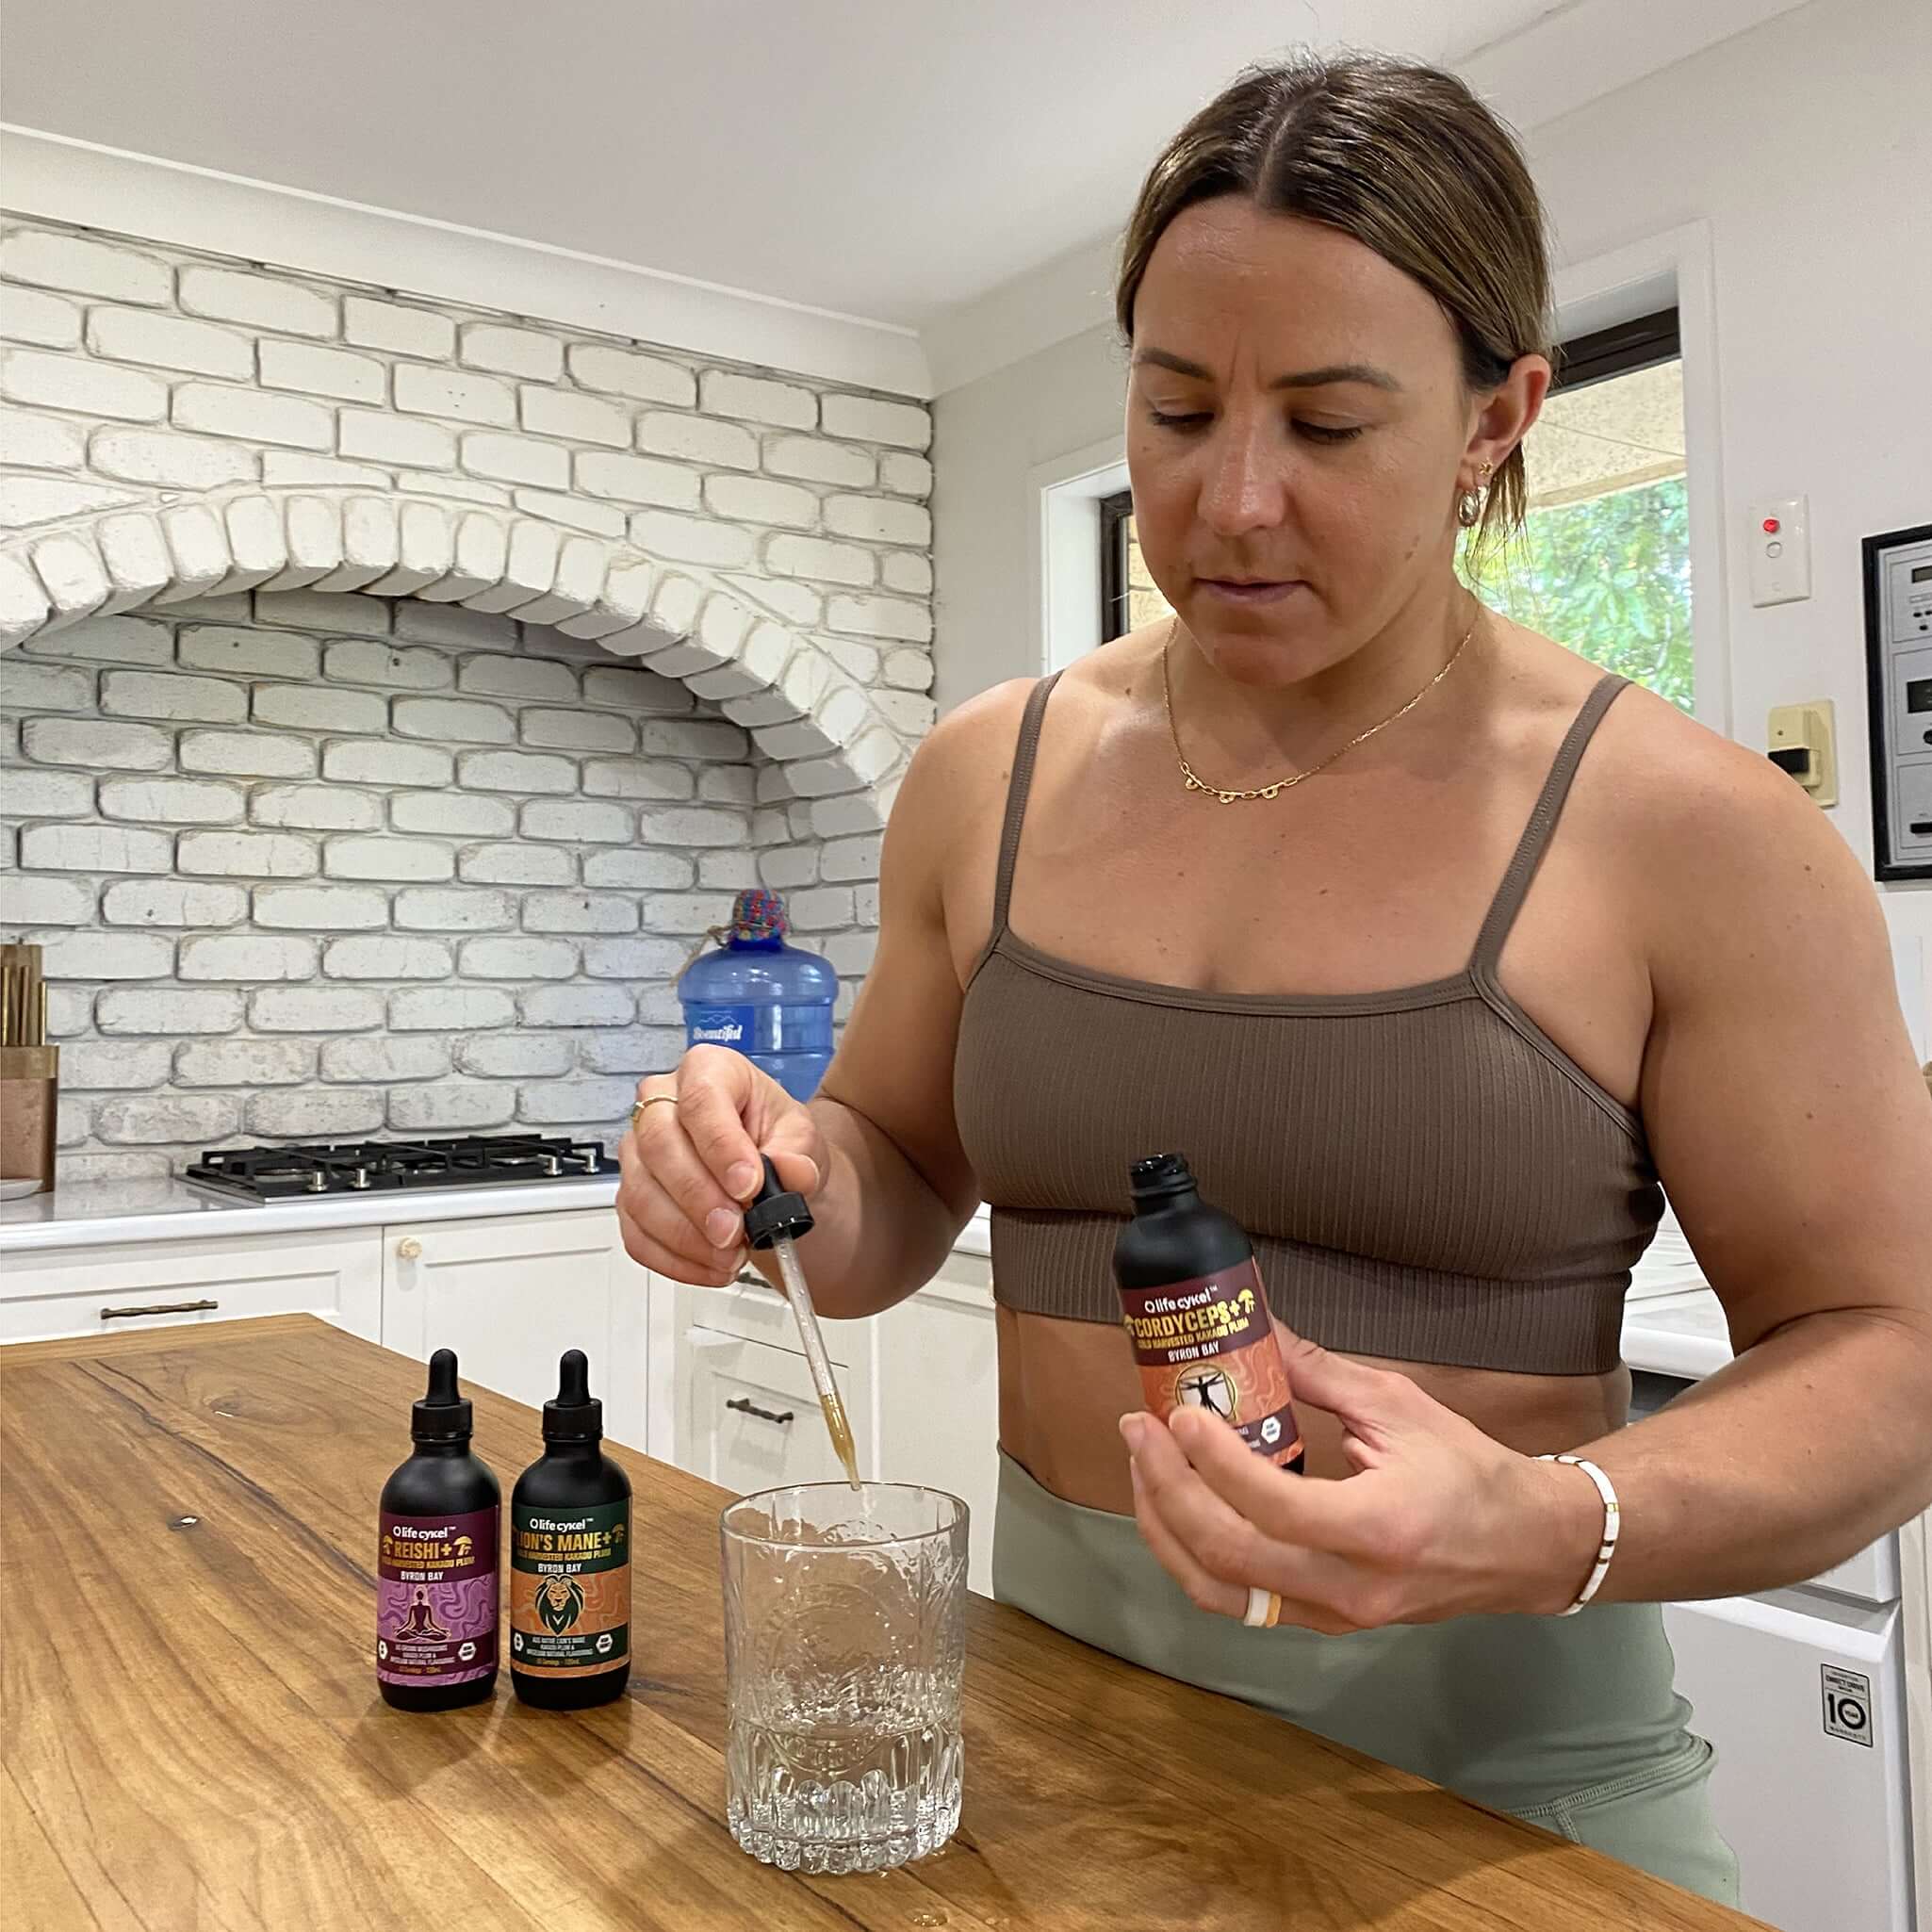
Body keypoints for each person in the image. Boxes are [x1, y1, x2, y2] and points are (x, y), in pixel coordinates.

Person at [618, 52, 1932, 1905]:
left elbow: (1889, 1352)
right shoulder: (979, 774)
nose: (1229, 503)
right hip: (1057, 1733)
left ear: (1496, 418)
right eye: (1174, 410)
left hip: (1489, 1796)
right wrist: (766, 1174)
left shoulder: (1684, 831)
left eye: (1325, 426)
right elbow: (893, 1180)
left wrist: (1546, 1515)